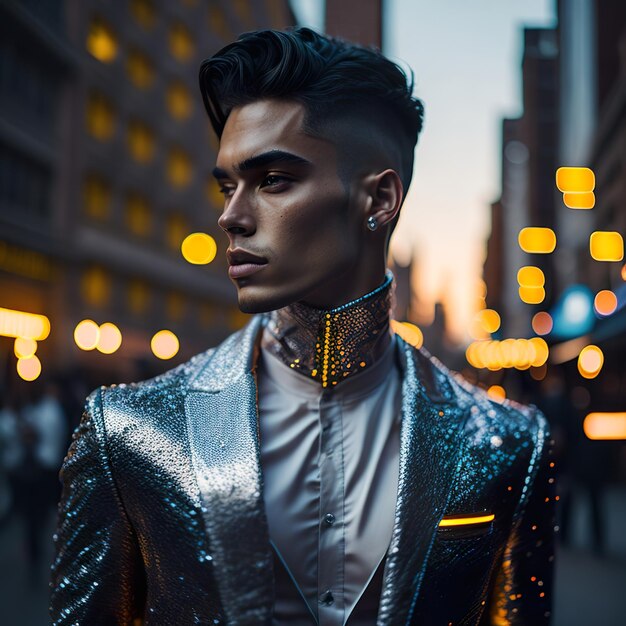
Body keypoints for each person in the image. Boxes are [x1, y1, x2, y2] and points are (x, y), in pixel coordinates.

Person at [50, 27, 555, 625]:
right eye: (227, 185)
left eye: (272, 181)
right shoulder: (131, 433)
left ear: (378, 200)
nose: (230, 216)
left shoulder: (506, 443)